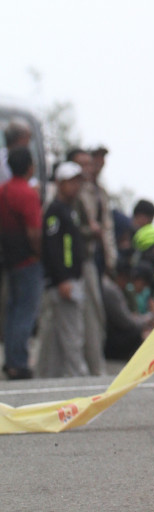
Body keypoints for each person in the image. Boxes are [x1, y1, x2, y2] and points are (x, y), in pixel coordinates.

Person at [35, 161, 89, 379]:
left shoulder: (69, 210)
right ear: (59, 183)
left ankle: (49, 378)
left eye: (77, 182)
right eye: (70, 182)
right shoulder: (55, 211)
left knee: (56, 335)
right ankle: (78, 376)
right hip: (64, 282)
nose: (75, 186)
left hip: (69, 279)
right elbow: (54, 248)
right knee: (72, 333)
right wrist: (63, 278)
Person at [0, 147, 44, 379]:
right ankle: (19, 362)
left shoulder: (3, 190)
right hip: (28, 259)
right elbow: (34, 231)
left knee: (12, 310)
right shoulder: (28, 193)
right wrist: (39, 253)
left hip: (9, 259)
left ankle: (10, 359)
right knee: (26, 312)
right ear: (30, 167)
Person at [65, 146, 106, 374]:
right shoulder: (67, 195)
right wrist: (91, 230)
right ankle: (85, 369)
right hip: (74, 263)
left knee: (94, 315)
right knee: (78, 318)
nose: (86, 169)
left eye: (88, 164)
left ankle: (94, 366)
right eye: (81, 165)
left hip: (91, 258)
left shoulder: (95, 191)